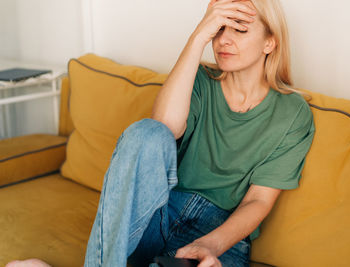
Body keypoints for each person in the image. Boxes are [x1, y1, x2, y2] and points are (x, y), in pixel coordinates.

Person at [6, 0, 315, 266]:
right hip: (158, 213)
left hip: (220, 231)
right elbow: (161, 128)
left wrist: (211, 245)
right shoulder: (198, 81)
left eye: (239, 29)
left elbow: (258, 201)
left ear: (269, 42)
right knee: (146, 132)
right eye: (218, 29)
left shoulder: (292, 113)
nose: (223, 41)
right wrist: (197, 37)